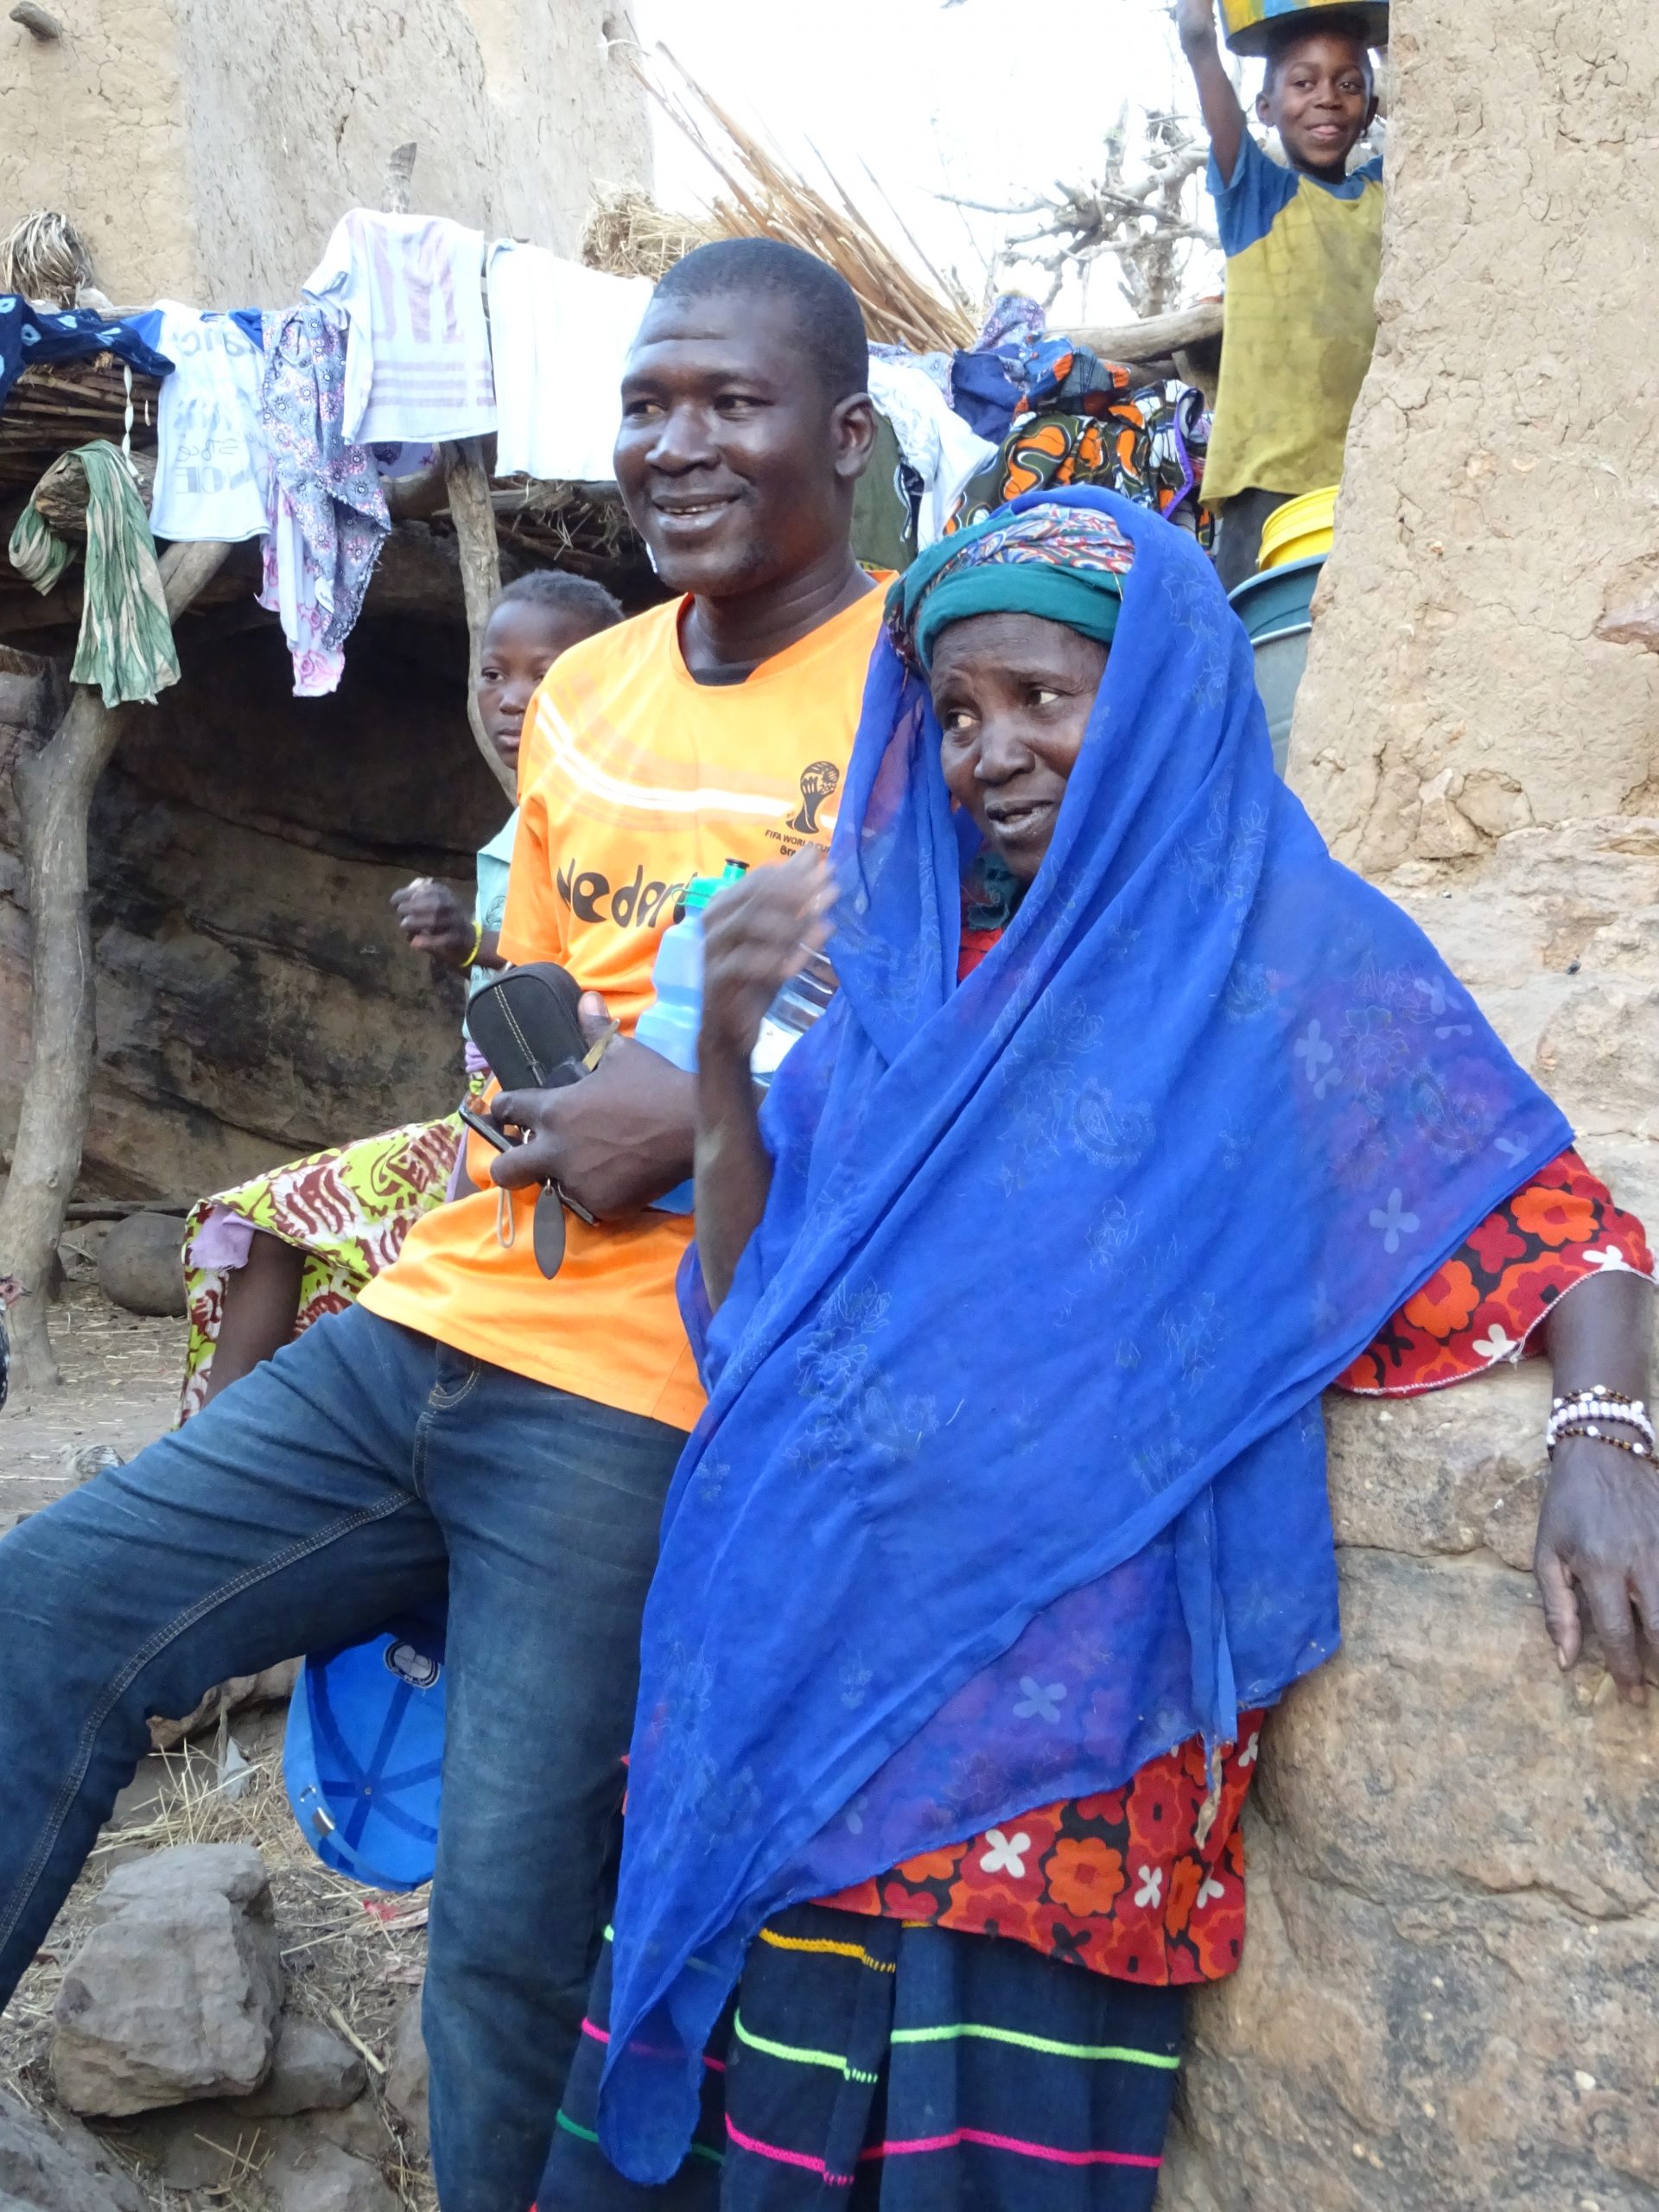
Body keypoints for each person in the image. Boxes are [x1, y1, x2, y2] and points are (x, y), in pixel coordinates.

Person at [541, 491, 1659, 2209]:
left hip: (1062, 1737)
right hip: (788, 1644)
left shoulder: (1284, 959)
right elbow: (751, 1318)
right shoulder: (907, 954)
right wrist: (725, 1058)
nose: (993, 750)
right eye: (961, 710)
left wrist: (1601, 1436)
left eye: (1046, 700)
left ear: (1155, 697)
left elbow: (1542, 1218)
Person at [0, 239, 880, 2212]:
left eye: (729, 401)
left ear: (847, 431)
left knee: (504, 1940)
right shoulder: (581, 701)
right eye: (646, 402)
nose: (675, 440)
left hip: (648, 1388)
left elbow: (996, 1030)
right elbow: (538, 998)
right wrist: (544, 1094)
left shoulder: (929, 689)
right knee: (46, 1602)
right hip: (435, 1317)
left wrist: (738, 1093)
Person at [180, 570, 624, 1415]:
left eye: (547, 671)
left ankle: (226, 1460)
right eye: (495, 674)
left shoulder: (630, 815)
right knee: (262, 1223)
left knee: (278, 1225)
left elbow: (591, 992)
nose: (513, 698)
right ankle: (211, 1461)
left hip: (542, 1149)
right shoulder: (532, 810)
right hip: (478, 1127)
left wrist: (476, 945)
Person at [1178, 0, 1384, 592]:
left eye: (1349, 85)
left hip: (1367, 475)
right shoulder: (1255, 196)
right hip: (1265, 479)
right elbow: (1198, 41)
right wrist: (1197, 30)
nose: (1327, 98)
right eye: (1303, 82)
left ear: (1370, 109)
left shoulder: (1386, 195)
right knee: (1265, 640)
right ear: (1266, 108)